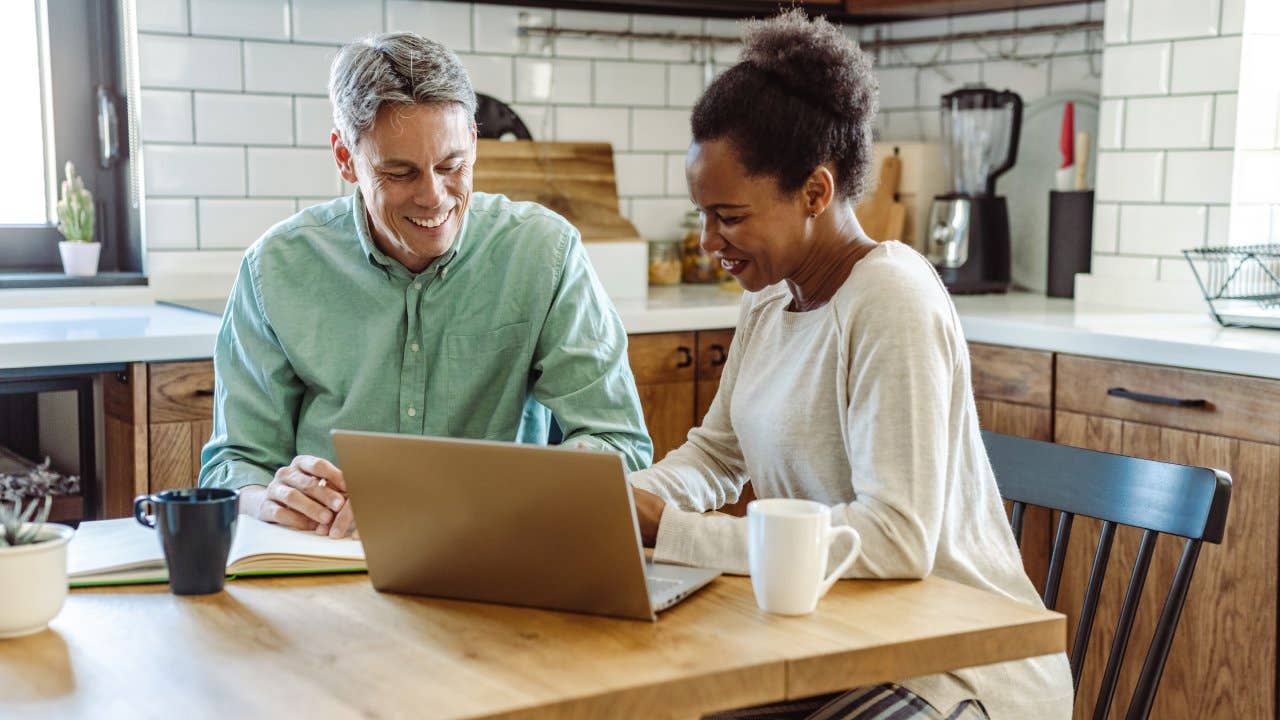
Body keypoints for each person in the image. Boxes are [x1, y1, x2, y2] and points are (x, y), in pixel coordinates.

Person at [626, 10, 1073, 720]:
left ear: (815, 192)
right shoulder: (770, 299)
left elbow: (896, 539)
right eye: (703, 215)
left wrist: (671, 530)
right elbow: (717, 456)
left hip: (957, 667)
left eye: (730, 216)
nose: (710, 240)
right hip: (837, 646)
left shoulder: (890, 297)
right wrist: (616, 499)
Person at [198, 32, 651, 538]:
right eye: (399, 172)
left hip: (494, 546)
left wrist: (480, 494)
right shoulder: (276, 268)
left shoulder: (544, 254)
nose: (433, 197)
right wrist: (269, 500)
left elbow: (618, 444)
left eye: (451, 165)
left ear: (475, 142)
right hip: (328, 558)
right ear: (345, 158)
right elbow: (233, 465)